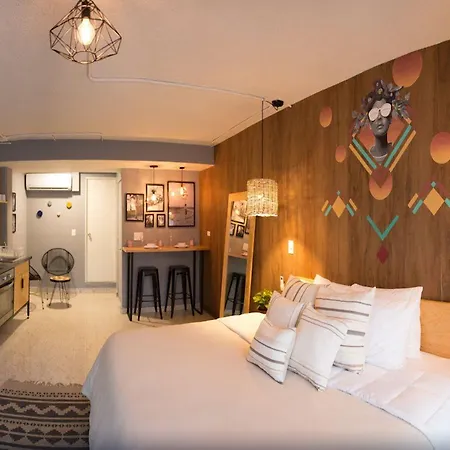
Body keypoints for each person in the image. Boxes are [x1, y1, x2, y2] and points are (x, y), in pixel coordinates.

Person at [352, 79, 410, 164]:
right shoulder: (365, 157)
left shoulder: (398, 150)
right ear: (369, 124)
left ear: (390, 118)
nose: (379, 117)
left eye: (384, 110)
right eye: (374, 113)